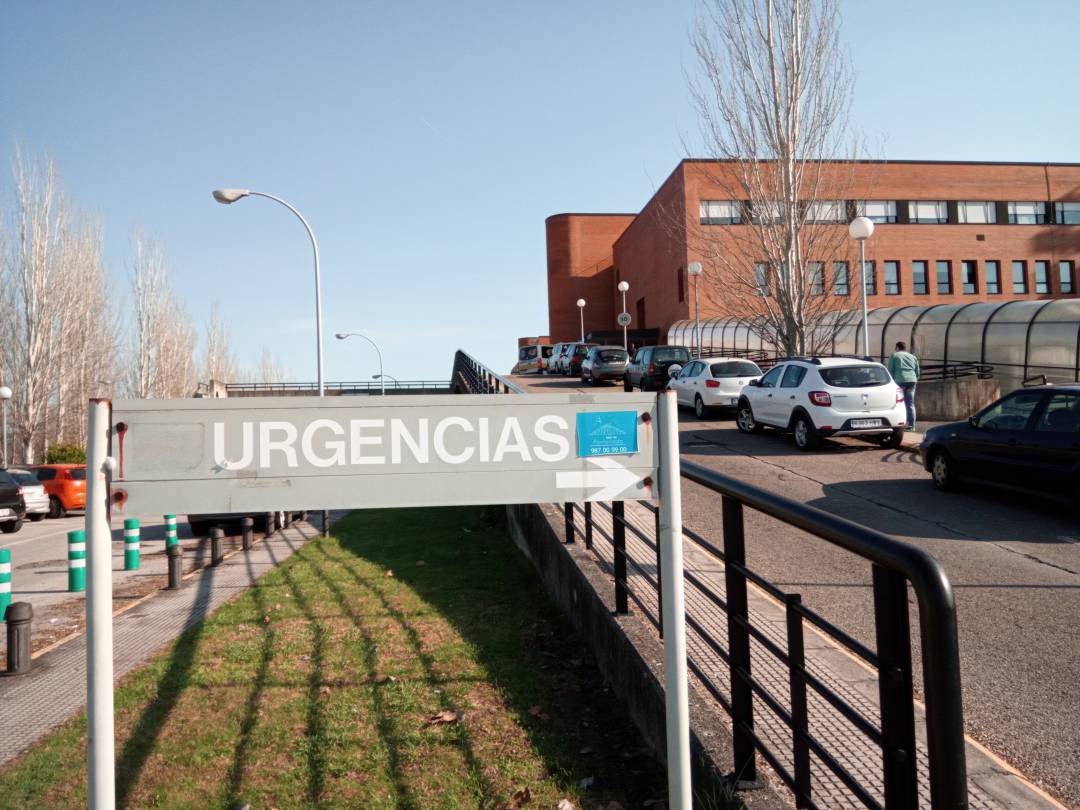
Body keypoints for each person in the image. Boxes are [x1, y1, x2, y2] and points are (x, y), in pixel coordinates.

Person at [887, 341, 921, 431]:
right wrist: (915, 378)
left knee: (899, 403)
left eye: (895, 347)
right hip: (912, 381)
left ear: (897, 347)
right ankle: (912, 426)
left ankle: (900, 424)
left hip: (900, 381)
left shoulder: (894, 356)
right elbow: (917, 371)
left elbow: (890, 370)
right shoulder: (913, 356)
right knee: (910, 403)